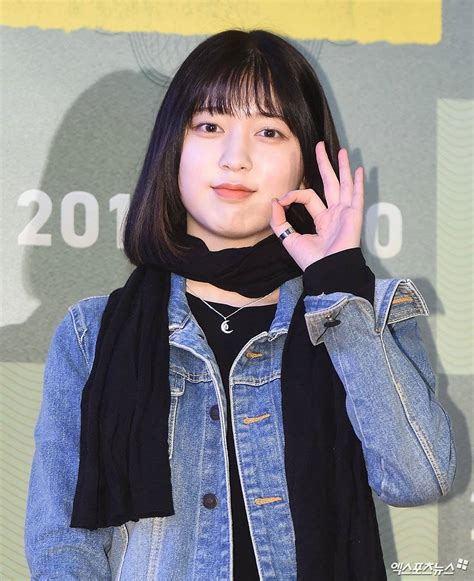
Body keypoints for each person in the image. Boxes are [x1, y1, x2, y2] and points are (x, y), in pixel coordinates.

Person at [24, 29, 456, 580]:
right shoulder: (94, 334)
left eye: (269, 131)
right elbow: (63, 546)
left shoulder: (362, 313)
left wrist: (339, 286)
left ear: (306, 166)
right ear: (173, 148)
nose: (235, 158)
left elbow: (420, 478)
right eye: (210, 126)